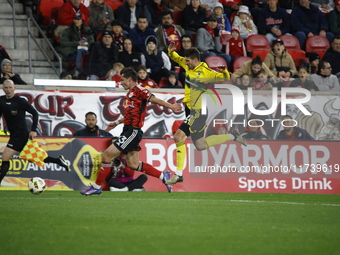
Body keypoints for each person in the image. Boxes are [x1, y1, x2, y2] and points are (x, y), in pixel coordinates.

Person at [80, 67, 182, 195]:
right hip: (128, 130)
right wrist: (116, 123)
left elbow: (154, 99)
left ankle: (96, 186)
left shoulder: (140, 90)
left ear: (129, 79)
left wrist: (171, 106)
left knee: (106, 155)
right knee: (133, 164)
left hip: (133, 132)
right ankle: (163, 175)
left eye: (122, 80)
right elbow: (130, 115)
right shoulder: (129, 94)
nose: (120, 82)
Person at [166, 43, 247, 184]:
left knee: (179, 137)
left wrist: (224, 72)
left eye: (188, 60)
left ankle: (178, 174)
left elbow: (222, 78)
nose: (185, 62)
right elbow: (177, 58)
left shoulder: (205, 71)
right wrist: (171, 52)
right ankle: (233, 135)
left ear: (195, 60)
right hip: (190, 109)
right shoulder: (187, 65)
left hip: (199, 111)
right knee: (200, 145)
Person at [0, 80, 70, 185]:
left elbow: (34, 113)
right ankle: (58, 160)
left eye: (10, 87)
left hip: (21, 134)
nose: (8, 90)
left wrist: (33, 130)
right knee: (34, 156)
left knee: (5, 157)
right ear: (3, 89)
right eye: (6, 88)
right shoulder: (1, 100)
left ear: (14, 88)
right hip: (14, 134)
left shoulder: (20, 101)